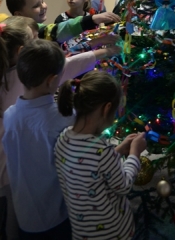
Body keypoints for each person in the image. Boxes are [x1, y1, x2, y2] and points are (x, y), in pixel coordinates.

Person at [0, 18, 121, 240]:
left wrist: (97, 46)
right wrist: (106, 51)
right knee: (11, 230)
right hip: (15, 178)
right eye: (34, 40)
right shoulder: (31, 87)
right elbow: (68, 65)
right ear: (22, 52)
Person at [55, 70, 147, 240]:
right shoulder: (102, 151)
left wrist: (118, 149)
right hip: (113, 233)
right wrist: (134, 153)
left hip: (82, 232)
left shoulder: (63, 139)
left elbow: (88, 168)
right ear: (107, 108)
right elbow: (123, 185)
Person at [3, 40, 75, 239]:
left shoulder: (10, 115)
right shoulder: (64, 118)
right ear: (52, 80)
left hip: (24, 213)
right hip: (55, 215)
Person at [6, 0, 119, 51]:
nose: (43, 6)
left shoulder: (36, 29)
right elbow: (59, 31)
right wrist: (92, 19)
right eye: (36, 5)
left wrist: (96, 43)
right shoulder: (31, 34)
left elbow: (66, 50)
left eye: (43, 1)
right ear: (19, 15)